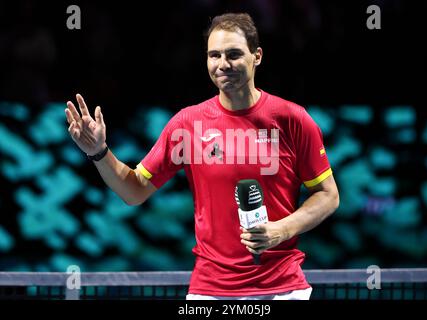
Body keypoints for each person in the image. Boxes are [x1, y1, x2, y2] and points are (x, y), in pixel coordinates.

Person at [64, 12, 339, 300]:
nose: (223, 64)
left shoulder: (292, 119)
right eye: (214, 55)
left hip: (282, 289)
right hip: (209, 292)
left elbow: (328, 195)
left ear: (257, 56)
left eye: (233, 54)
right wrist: (98, 152)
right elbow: (133, 190)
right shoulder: (188, 124)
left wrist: (281, 230)